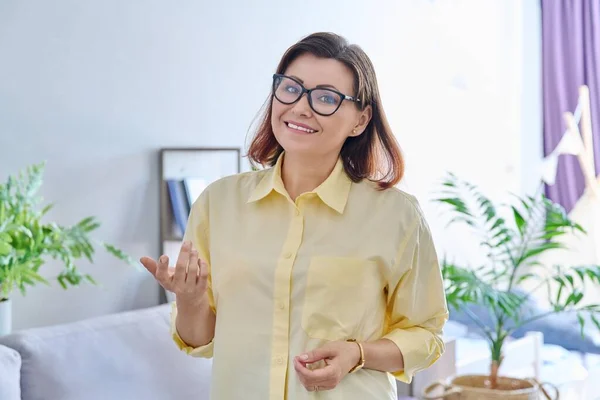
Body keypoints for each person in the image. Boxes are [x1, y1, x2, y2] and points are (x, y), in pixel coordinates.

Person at [140, 32, 448, 400]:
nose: (301, 107)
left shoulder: (396, 215)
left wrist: (357, 353)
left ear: (360, 120)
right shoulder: (217, 204)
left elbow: (427, 336)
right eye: (290, 89)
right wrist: (189, 301)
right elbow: (199, 340)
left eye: (326, 98)